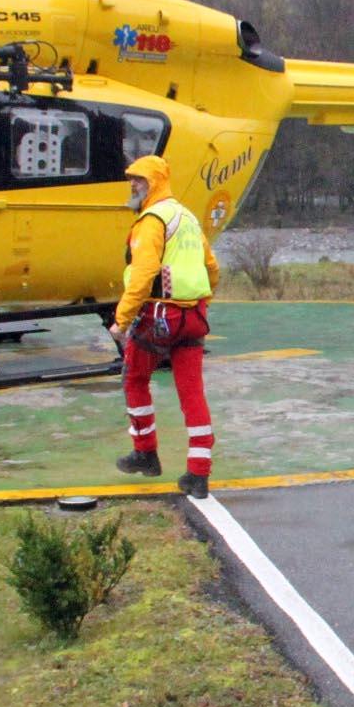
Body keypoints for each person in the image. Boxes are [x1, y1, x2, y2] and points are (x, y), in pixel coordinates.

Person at [112, 154, 222, 499]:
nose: (133, 184)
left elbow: (143, 275)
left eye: (139, 180)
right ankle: (198, 473)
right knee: (192, 392)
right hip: (195, 317)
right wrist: (199, 301)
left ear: (154, 183)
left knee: (134, 377)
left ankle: (145, 452)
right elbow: (212, 267)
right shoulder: (187, 217)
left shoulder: (152, 220)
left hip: (160, 316)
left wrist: (121, 319)